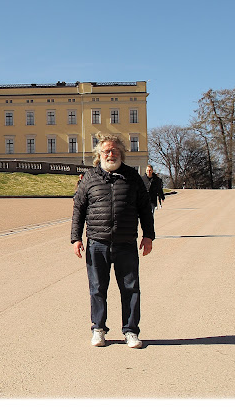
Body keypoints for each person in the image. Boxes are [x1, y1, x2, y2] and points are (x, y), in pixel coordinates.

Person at [71, 133, 155, 349]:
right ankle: (98, 329)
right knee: (97, 288)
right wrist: (75, 238)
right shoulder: (89, 178)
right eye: (107, 151)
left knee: (131, 288)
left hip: (126, 242)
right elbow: (78, 209)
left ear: (121, 154)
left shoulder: (132, 177)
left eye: (115, 150)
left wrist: (148, 235)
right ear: (99, 154)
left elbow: (145, 208)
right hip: (97, 242)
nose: (111, 154)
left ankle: (131, 331)